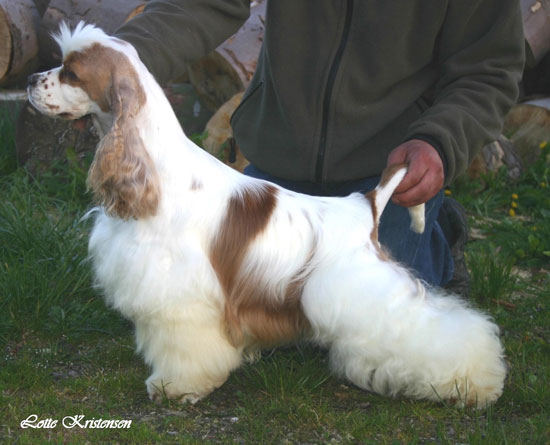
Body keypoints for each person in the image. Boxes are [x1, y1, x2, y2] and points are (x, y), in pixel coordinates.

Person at [115, 0, 525, 291]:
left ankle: (434, 235)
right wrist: (115, 58)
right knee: (236, 300)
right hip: (282, 160)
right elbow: (202, 4)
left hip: (385, 177)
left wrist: (438, 141)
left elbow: (488, 71)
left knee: (367, 325)